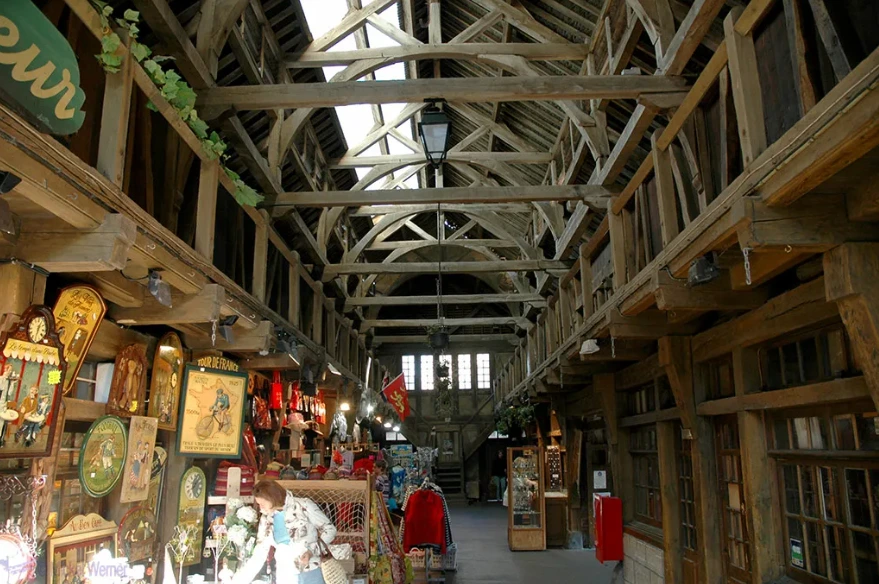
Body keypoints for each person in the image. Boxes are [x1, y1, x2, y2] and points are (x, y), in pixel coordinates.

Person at [233, 478, 337, 584]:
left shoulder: (303, 505)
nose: (260, 507)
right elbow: (260, 552)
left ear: (272, 497)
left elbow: (330, 530)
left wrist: (311, 551)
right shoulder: (266, 519)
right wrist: (240, 580)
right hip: (285, 574)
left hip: (311, 571)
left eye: (262, 503)